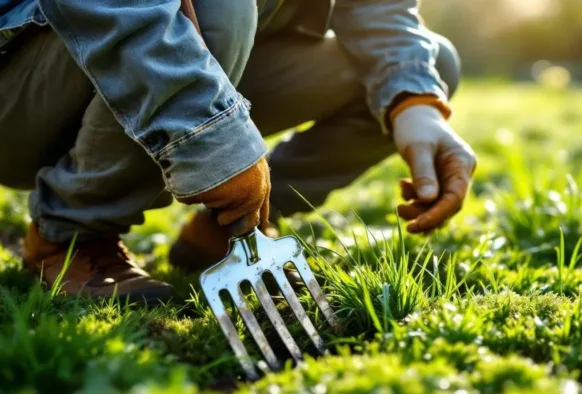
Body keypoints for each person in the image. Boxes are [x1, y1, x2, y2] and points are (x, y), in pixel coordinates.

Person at [0, 0, 476, 302]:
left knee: (430, 65)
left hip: (206, 48)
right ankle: (72, 232)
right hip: (25, 92)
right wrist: (210, 135)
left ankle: (232, 232)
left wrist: (414, 105)